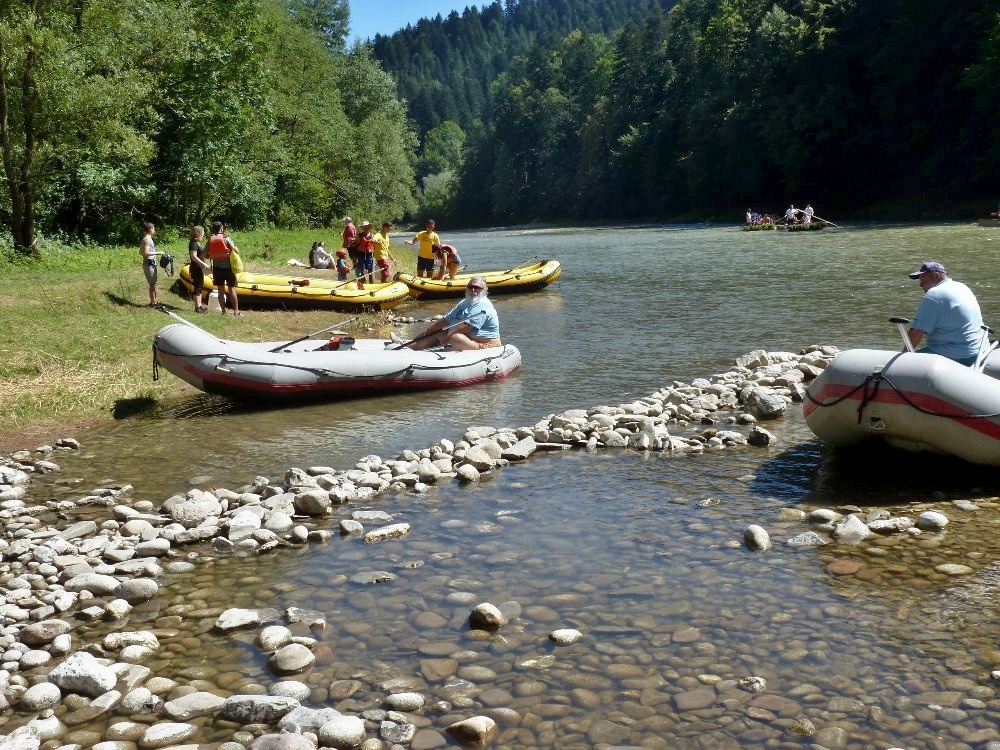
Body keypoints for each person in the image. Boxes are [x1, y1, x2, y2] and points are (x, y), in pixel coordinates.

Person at [906, 261, 983, 366]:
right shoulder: (962, 287)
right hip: (976, 352)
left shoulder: (934, 294)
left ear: (936, 276)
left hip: (954, 355)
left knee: (904, 362)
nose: (920, 284)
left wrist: (902, 358)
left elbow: (916, 332)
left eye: (923, 280)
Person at [397, 276, 501, 351]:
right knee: (438, 332)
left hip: (485, 343)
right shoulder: (464, 302)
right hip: (468, 339)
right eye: (470, 287)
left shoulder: (482, 304)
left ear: (483, 290)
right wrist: (424, 333)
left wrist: (448, 337)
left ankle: (477, 348)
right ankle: (410, 346)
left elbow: (467, 326)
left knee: (455, 338)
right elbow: (445, 320)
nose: (473, 289)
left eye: (477, 288)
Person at [206, 221, 242, 316]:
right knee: (232, 289)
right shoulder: (226, 239)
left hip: (217, 269)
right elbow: (236, 250)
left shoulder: (210, 240)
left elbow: (205, 254)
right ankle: (236, 311)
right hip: (228, 268)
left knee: (220, 291)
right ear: (221, 228)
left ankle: (223, 311)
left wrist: (212, 256)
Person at [188, 225, 210, 312]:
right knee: (197, 286)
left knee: (200, 286)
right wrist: (203, 264)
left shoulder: (196, 243)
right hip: (196, 268)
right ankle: (197, 308)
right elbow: (193, 256)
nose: (203, 234)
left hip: (198, 267)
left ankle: (200, 306)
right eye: (203, 232)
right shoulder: (193, 243)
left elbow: (200, 255)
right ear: (198, 233)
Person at [140, 222, 162, 307]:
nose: (154, 230)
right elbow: (145, 252)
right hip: (149, 264)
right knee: (152, 284)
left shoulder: (146, 238)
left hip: (150, 263)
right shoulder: (147, 240)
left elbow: (140, 252)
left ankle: (154, 302)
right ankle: (153, 303)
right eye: (153, 228)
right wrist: (157, 253)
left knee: (154, 283)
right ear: (150, 229)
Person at [354, 220, 376, 286]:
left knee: (370, 272)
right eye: (364, 227)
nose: (365, 228)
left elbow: (374, 246)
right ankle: (363, 285)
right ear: (362, 228)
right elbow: (354, 245)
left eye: (367, 227)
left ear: (369, 227)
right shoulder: (360, 235)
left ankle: (372, 286)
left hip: (369, 255)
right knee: (362, 271)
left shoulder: (372, 236)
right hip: (361, 255)